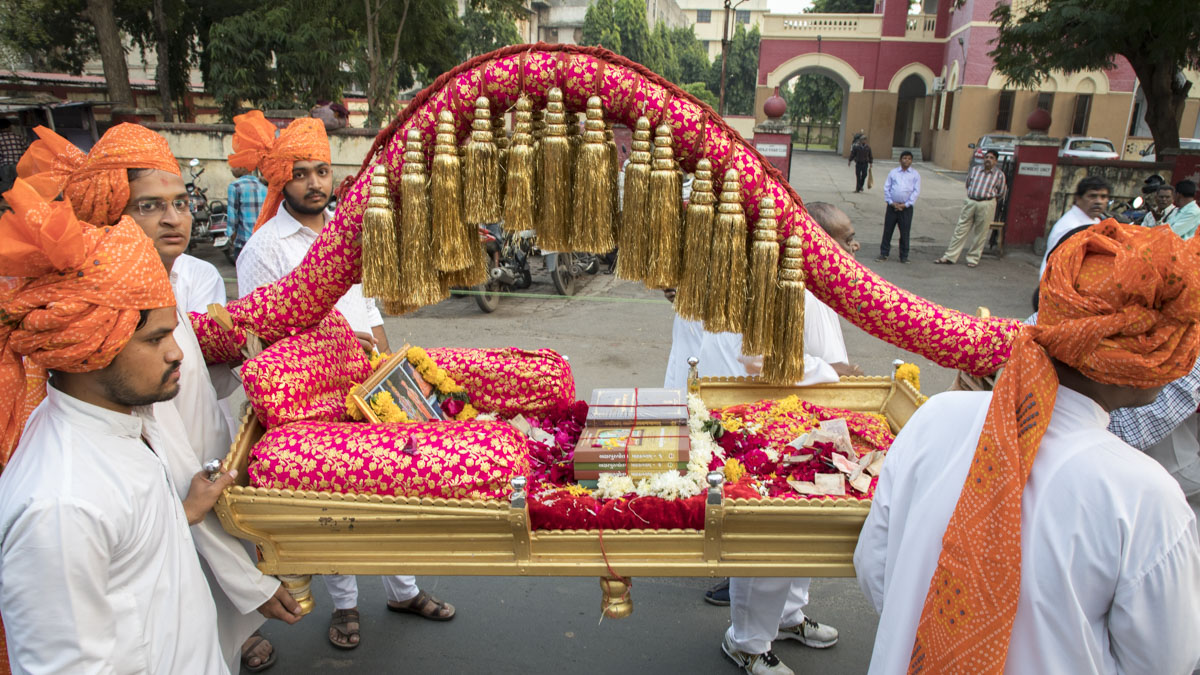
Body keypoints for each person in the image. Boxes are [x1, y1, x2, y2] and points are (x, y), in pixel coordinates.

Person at [15, 121, 305, 673]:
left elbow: (191, 400)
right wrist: (247, 582)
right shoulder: (63, 505)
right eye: (149, 206)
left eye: (179, 203)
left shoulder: (122, 425)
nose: (173, 218)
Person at [856, 221, 1200, 674]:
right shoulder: (1145, 497)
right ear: (1143, 354)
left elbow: (874, 567)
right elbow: (1165, 664)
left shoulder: (936, 416)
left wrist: (930, 637)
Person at [231, 110, 455, 650]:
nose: (314, 183)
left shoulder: (352, 230)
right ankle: (346, 606)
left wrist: (382, 356)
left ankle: (403, 589)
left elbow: (369, 305)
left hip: (374, 382)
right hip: (314, 391)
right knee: (333, 500)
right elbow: (263, 336)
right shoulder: (262, 249)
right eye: (301, 172)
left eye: (322, 171)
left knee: (390, 490)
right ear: (282, 179)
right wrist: (331, 348)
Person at [0, 179, 234, 673]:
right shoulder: (60, 507)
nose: (177, 353)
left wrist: (182, 512)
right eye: (155, 340)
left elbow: (130, 552)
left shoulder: (123, 426)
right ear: (90, 349)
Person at [713, 203, 861, 675]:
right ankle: (748, 641)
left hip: (815, 425)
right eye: (843, 238)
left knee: (807, 532)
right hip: (773, 426)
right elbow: (754, 357)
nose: (853, 246)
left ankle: (790, 616)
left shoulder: (819, 284)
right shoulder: (772, 280)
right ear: (816, 242)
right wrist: (827, 371)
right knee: (772, 540)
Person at [934, 149, 1007, 268]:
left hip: (986, 204)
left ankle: (973, 258)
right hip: (971, 201)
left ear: (995, 161)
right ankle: (950, 256)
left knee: (981, 232)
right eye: (987, 157)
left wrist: (988, 200)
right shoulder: (975, 170)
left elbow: (1001, 192)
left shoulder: (999, 175)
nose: (988, 160)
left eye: (991, 158)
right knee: (960, 229)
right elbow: (968, 184)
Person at [1039, 175, 1109, 276]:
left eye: (1103, 197)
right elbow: (1058, 267)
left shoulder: (1097, 221)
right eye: (1092, 196)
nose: (1098, 201)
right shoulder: (1071, 228)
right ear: (1078, 198)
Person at [877, 151, 919, 263]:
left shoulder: (915, 175)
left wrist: (906, 205)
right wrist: (891, 202)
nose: (907, 160)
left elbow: (916, 191)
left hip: (906, 209)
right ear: (900, 160)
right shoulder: (893, 173)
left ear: (911, 161)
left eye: (909, 158)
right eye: (904, 158)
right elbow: (887, 188)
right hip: (892, 207)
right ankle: (884, 253)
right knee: (888, 230)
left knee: (905, 232)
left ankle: (904, 256)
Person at [227, 166, 267, 259]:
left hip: (245, 242)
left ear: (243, 168)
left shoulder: (235, 186)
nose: (231, 169)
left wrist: (232, 237)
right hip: (263, 241)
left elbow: (232, 218)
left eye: (234, 167)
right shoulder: (264, 185)